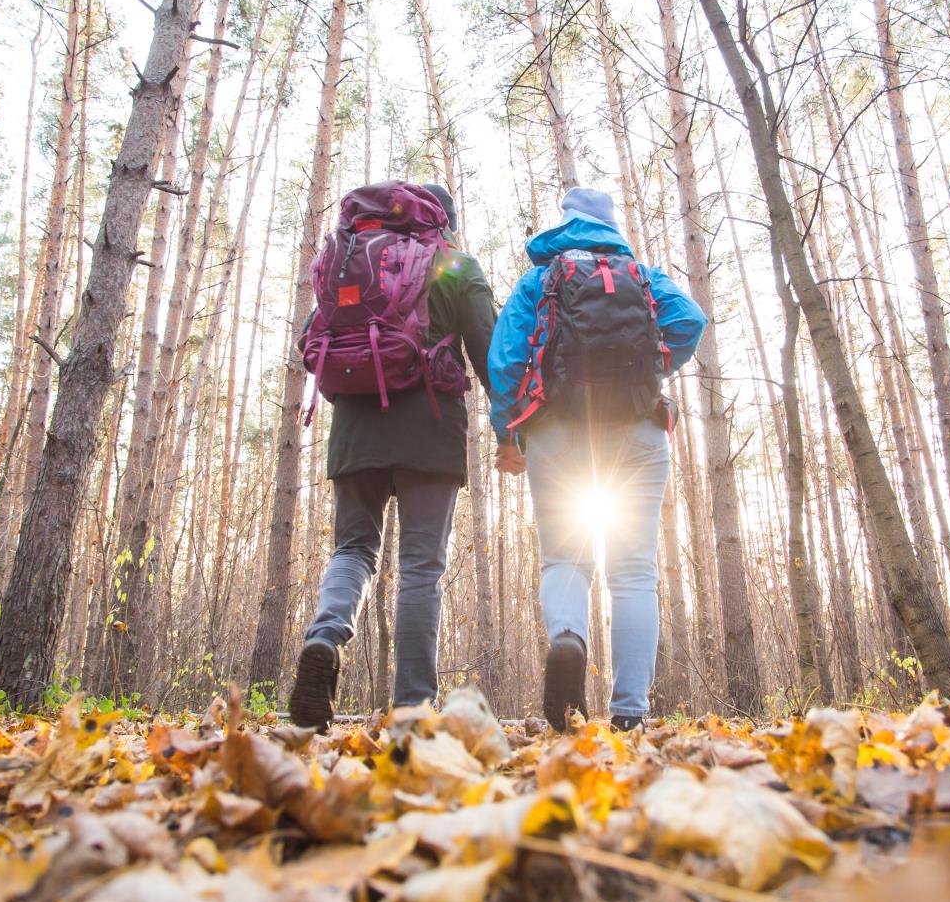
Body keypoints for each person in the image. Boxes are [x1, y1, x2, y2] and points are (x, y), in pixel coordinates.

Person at [488, 186, 705, 731]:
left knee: (566, 559)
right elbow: (691, 323)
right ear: (612, 228)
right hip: (638, 429)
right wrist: (651, 366)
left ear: (565, 224)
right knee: (634, 573)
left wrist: (507, 433)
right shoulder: (643, 276)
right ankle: (630, 713)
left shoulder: (543, 278)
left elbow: (505, 359)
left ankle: (568, 638)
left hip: (558, 430)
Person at [288, 181, 497, 730]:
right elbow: (489, 352)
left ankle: (325, 638)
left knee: (354, 550)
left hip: (356, 430)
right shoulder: (454, 264)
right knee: (420, 568)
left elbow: (310, 341)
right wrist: (512, 427)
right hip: (430, 430)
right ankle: (411, 708)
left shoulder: (357, 259)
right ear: (444, 220)